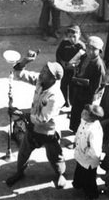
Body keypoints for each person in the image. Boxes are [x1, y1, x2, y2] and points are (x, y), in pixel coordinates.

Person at [5, 58, 67, 189]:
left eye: (45, 71)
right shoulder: (42, 80)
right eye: (44, 68)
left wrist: (21, 114)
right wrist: (25, 61)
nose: (41, 72)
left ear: (53, 78)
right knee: (23, 153)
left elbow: (42, 119)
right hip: (33, 128)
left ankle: (60, 174)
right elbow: (19, 74)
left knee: (55, 157)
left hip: (48, 132)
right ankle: (19, 172)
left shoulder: (56, 97)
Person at [69, 36, 106, 132]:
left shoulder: (98, 65)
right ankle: (74, 129)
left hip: (86, 94)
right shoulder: (84, 56)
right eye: (88, 48)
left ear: (100, 51)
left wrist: (92, 96)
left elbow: (98, 85)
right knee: (75, 111)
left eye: (94, 49)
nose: (90, 51)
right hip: (78, 89)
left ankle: (78, 133)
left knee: (83, 114)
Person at [72, 104, 104, 200]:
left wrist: (85, 152)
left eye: (85, 113)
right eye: (83, 110)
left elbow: (95, 151)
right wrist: (76, 141)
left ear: (92, 118)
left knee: (89, 179)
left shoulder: (94, 130)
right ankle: (78, 184)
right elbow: (79, 132)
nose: (82, 113)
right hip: (81, 156)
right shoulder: (84, 121)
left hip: (89, 161)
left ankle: (91, 195)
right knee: (80, 171)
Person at [55, 25, 85, 107]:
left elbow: (84, 60)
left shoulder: (81, 46)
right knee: (63, 86)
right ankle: (65, 101)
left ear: (79, 35)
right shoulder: (64, 43)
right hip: (64, 69)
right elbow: (58, 54)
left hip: (74, 71)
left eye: (74, 36)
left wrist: (76, 65)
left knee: (73, 87)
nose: (72, 39)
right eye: (70, 36)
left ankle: (71, 102)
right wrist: (61, 62)